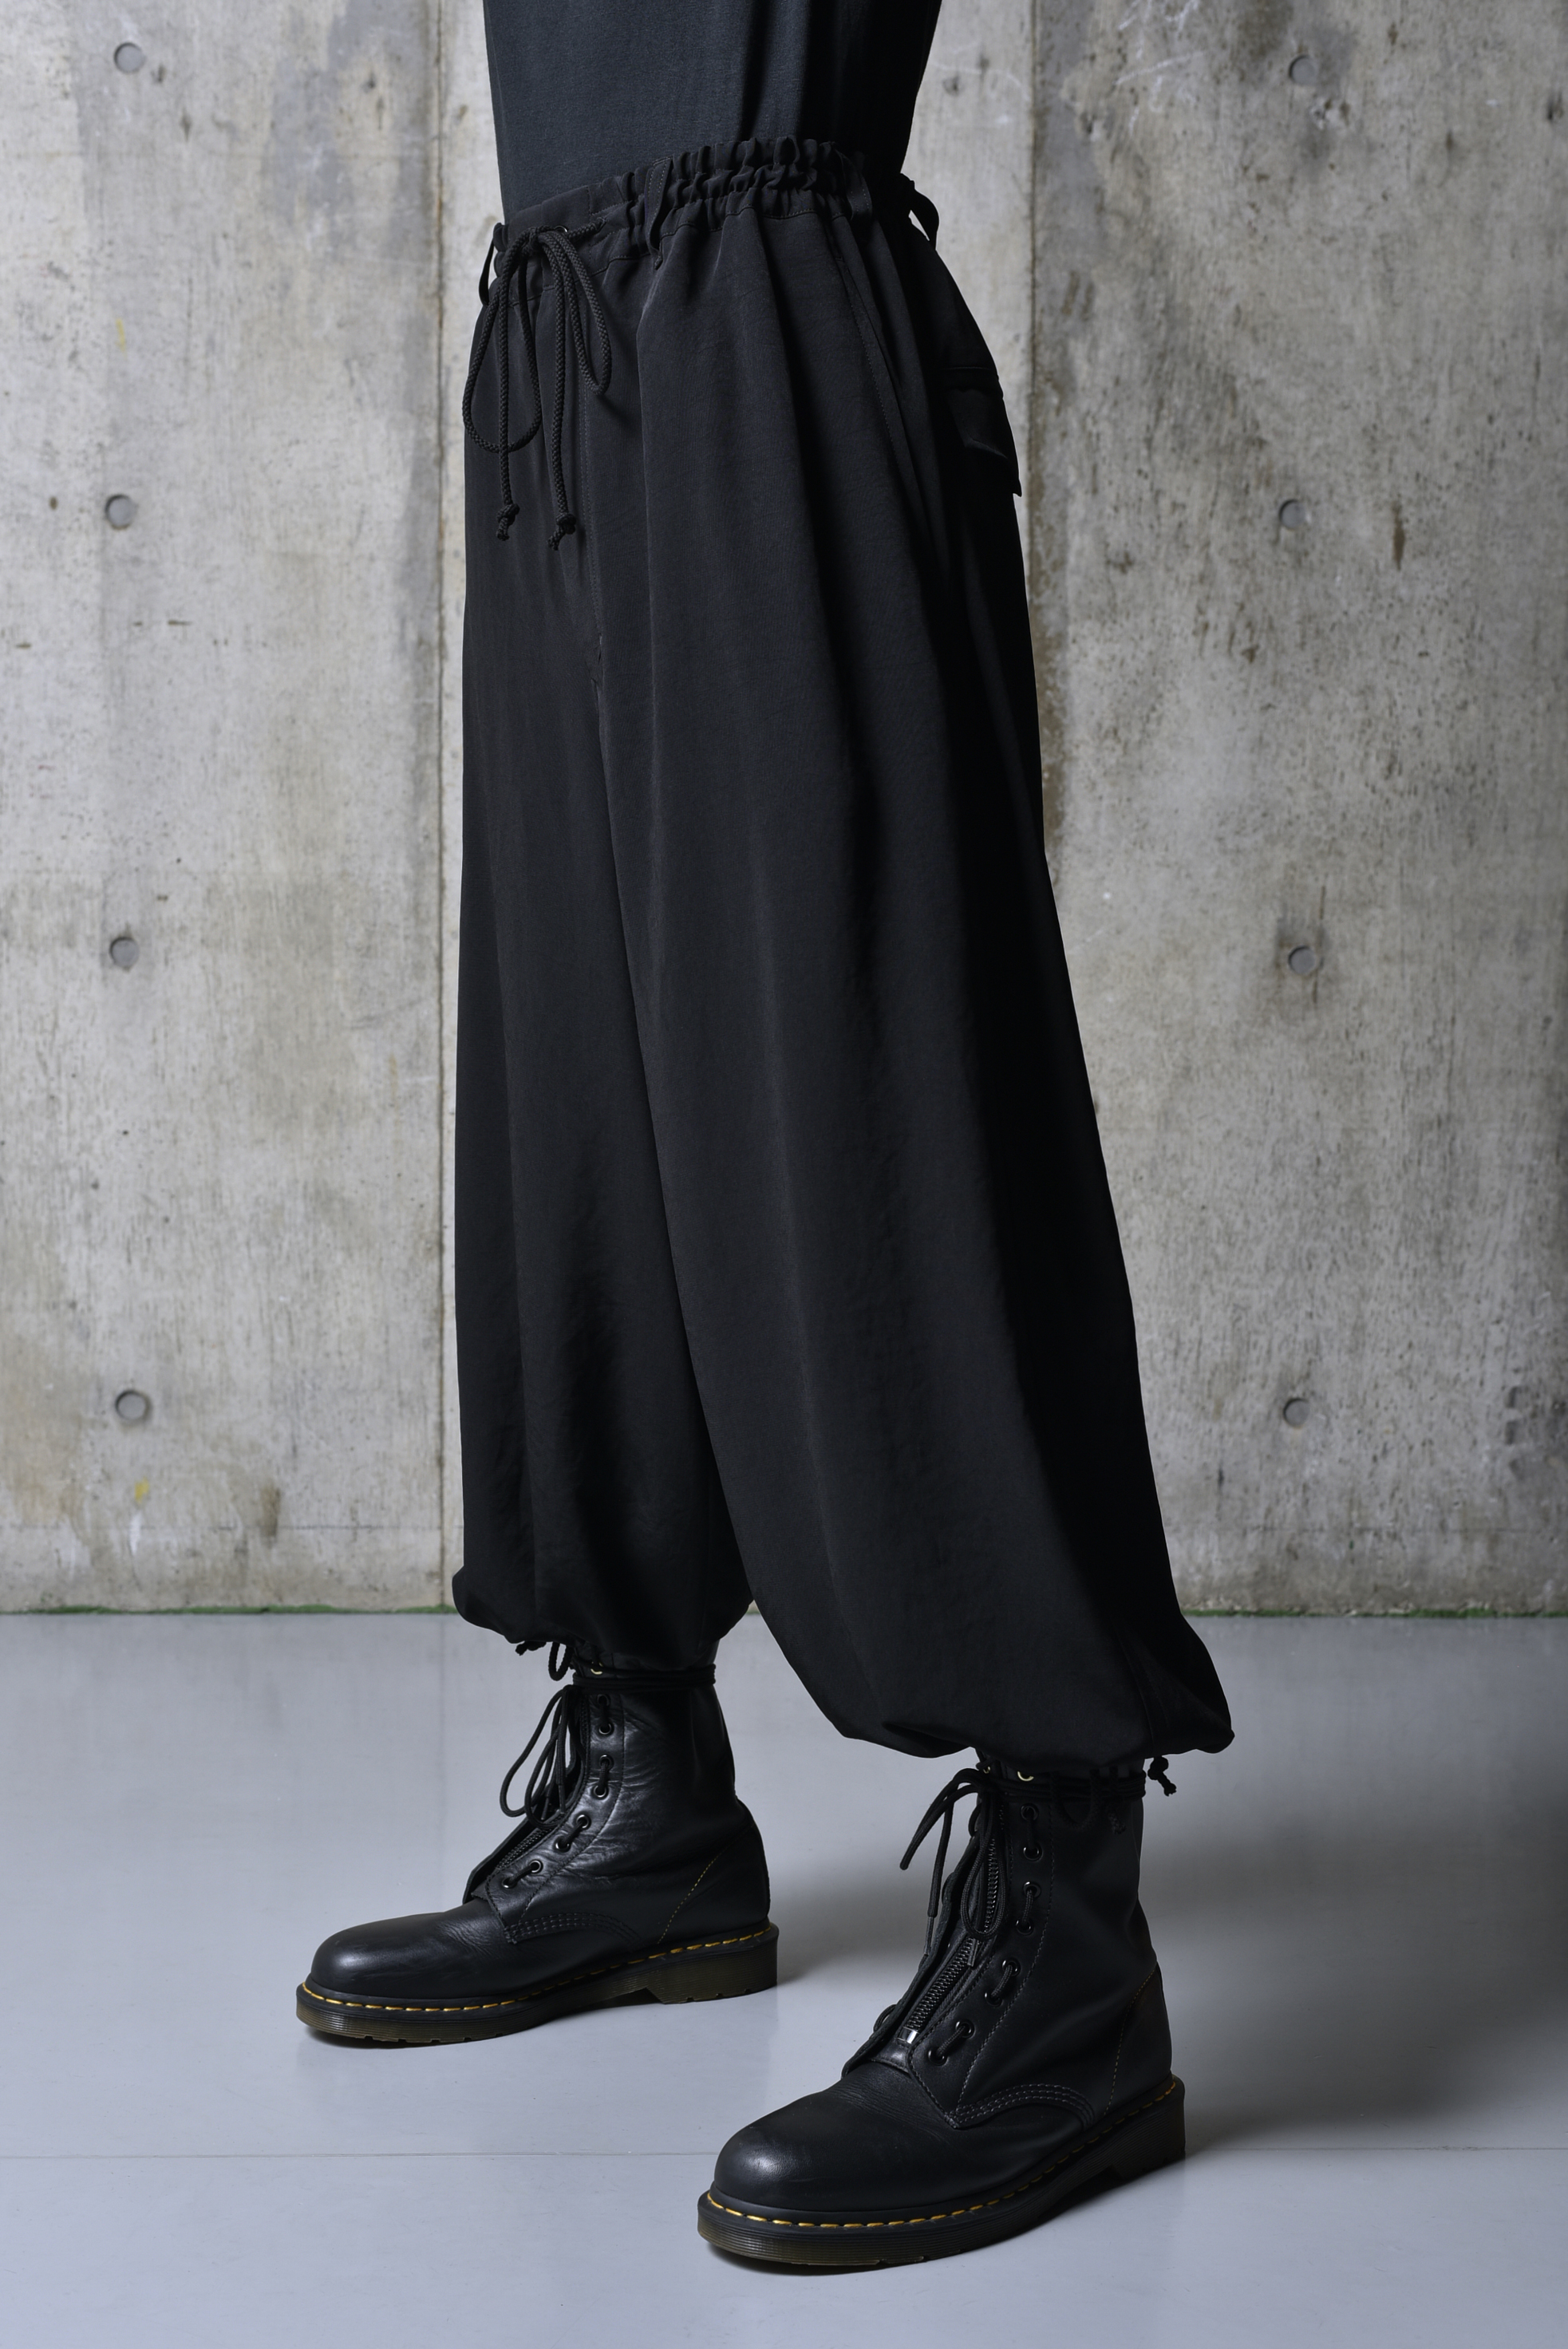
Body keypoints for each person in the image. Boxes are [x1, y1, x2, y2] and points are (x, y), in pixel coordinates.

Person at [296, 0, 1231, 2268]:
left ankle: (1068, 1933)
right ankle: (648, 1799)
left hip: (775, 300)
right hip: (565, 317)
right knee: (586, 1098)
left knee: (878, 1090)